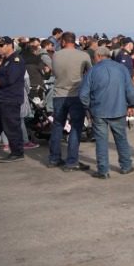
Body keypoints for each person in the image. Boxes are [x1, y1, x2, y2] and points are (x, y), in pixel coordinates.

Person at [79, 46, 134, 179]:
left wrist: (88, 107)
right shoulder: (121, 69)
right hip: (118, 109)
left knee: (101, 141)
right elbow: (130, 90)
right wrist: (132, 104)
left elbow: (83, 95)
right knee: (121, 138)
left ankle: (103, 170)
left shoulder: (93, 71)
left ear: (98, 56)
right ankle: (126, 165)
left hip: (99, 111)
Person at [48, 32, 92, 170]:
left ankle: (54, 158)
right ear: (75, 41)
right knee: (76, 126)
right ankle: (72, 161)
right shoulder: (83, 55)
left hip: (58, 94)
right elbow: (90, 73)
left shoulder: (56, 55)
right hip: (76, 94)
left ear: (62, 42)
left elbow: (54, 73)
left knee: (57, 125)